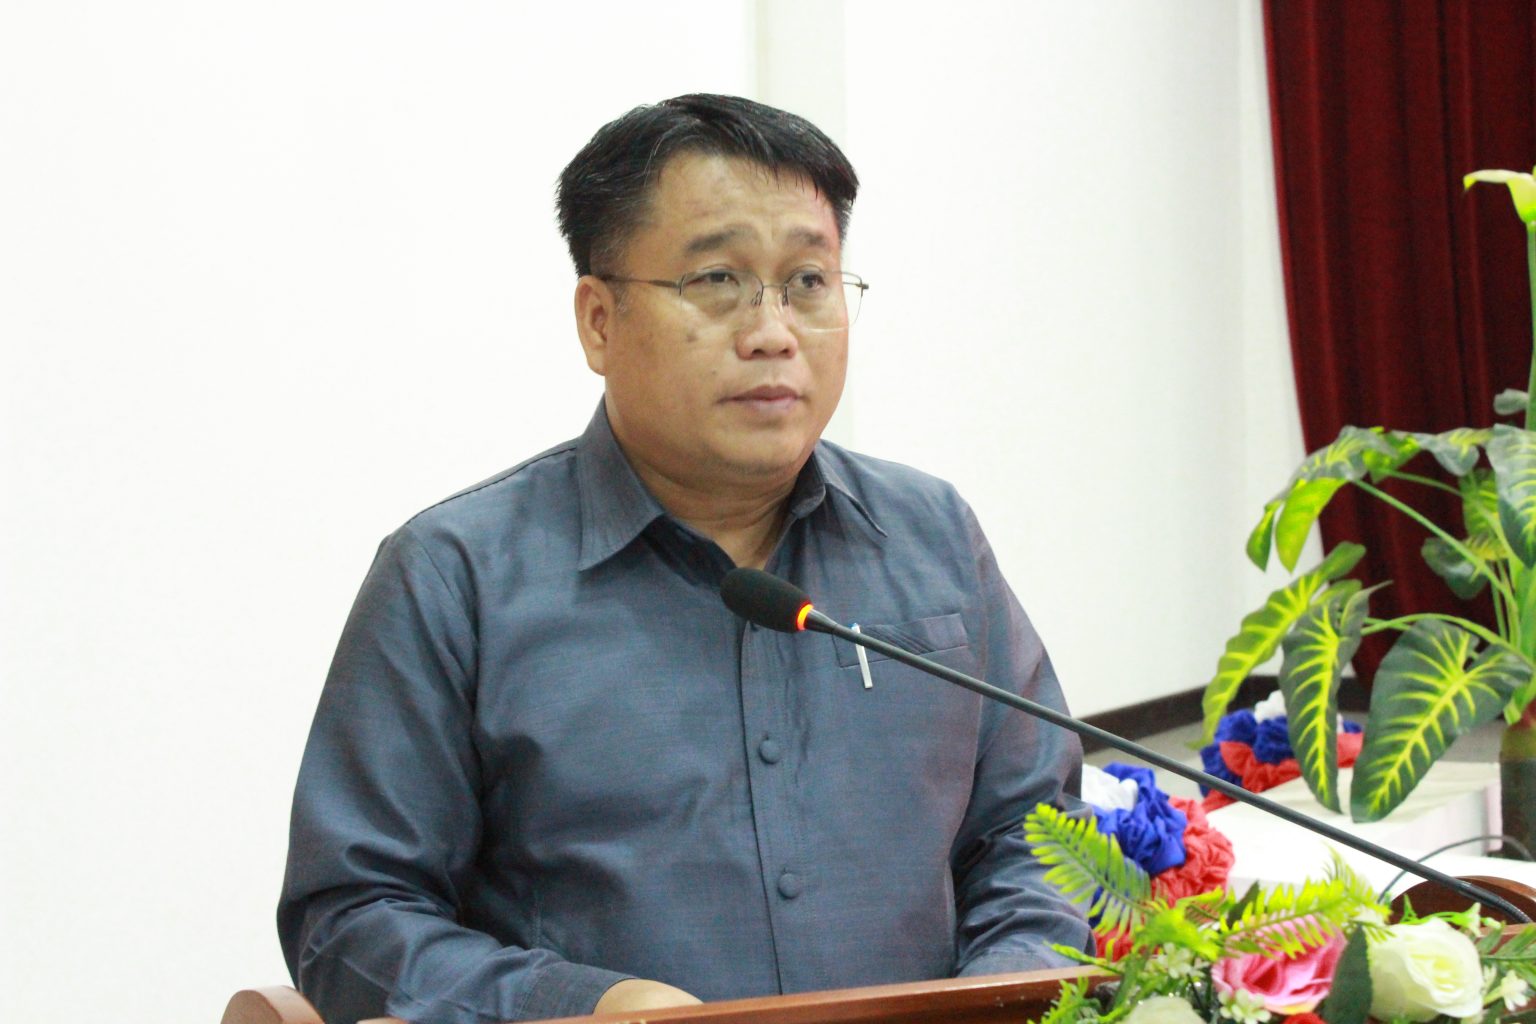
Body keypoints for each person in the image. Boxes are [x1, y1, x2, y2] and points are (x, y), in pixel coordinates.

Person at [278, 93, 1090, 1024]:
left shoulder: (932, 536)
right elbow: (351, 918)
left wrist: (1005, 990)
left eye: (809, 281)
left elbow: (1038, 835)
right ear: (599, 320)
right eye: (717, 280)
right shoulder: (455, 578)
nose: (773, 331)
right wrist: (582, 1007)